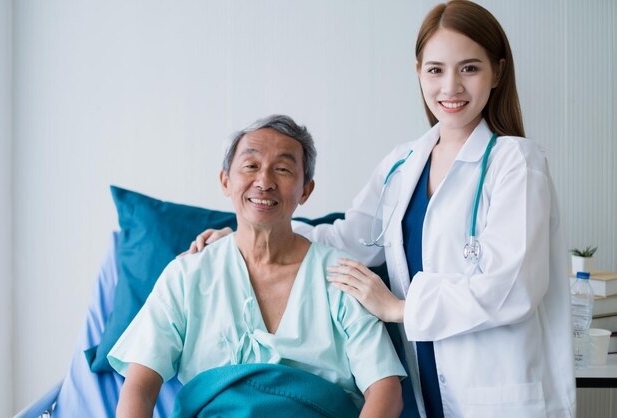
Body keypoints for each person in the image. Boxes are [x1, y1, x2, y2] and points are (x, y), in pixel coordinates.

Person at [184, 1, 576, 417]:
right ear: (418, 71)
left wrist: (399, 308)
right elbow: (347, 239)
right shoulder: (402, 164)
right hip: (434, 392)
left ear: (496, 71)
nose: (451, 88)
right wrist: (253, 236)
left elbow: (513, 288)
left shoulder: (516, 161)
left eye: (470, 68)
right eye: (436, 69)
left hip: (504, 395)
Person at [108, 114, 406, 417]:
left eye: (283, 169)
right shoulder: (187, 274)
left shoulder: (343, 276)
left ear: (305, 190)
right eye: (251, 166)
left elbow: (385, 388)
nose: (264, 182)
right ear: (225, 180)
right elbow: (140, 387)